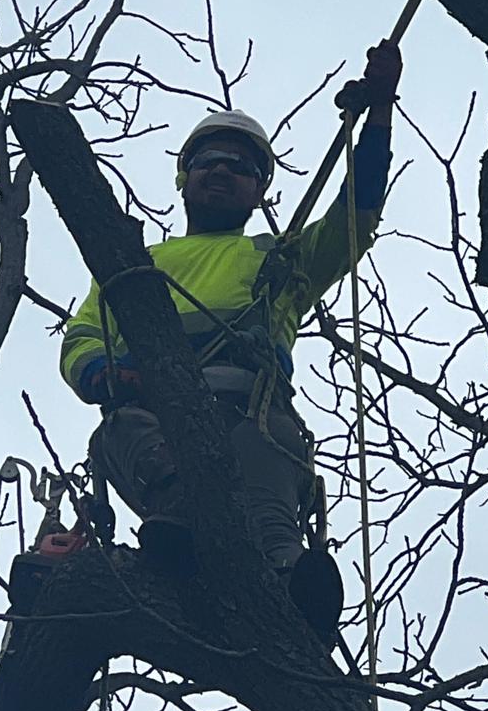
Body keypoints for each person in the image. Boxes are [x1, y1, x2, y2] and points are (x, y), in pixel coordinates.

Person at [59, 43, 402, 607]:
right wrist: (107, 375)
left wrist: (380, 114)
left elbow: (356, 215)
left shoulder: (280, 259)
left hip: (255, 411)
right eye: (208, 160)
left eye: (239, 166)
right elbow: (83, 337)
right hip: (153, 412)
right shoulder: (135, 265)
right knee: (125, 435)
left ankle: (294, 585)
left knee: (267, 498)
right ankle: (181, 527)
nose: (221, 169)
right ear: (183, 178)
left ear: (259, 188)